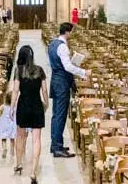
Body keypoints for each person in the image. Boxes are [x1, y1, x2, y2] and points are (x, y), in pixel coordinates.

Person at [48, 22, 88, 157]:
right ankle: (57, 147)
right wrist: (83, 72)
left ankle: (55, 144)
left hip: (55, 81)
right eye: (72, 32)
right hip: (62, 83)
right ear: (67, 32)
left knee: (55, 115)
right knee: (60, 115)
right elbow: (67, 67)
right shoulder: (63, 47)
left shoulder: (53, 44)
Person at [11, 45, 48, 184]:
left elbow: (15, 90)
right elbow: (44, 90)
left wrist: (12, 107)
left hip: (23, 106)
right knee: (36, 140)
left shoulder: (18, 71)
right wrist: (46, 103)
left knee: (20, 137)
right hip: (37, 105)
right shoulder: (40, 70)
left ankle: (19, 164)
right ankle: (33, 172)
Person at [0, 91, 16, 158]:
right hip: (11, 124)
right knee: (12, 138)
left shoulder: (3, 106)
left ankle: (4, 148)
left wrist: (1, 113)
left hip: (4, 123)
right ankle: (12, 151)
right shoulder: (14, 107)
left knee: (3, 138)